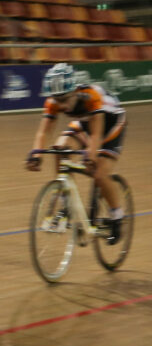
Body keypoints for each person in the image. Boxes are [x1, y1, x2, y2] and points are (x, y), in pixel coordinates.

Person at [26, 63, 127, 244]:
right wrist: (36, 154)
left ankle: (117, 217)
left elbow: (96, 133)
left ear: (74, 91)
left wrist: (91, 156)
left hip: (111, 123)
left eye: (64, 100)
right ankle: (66, 203)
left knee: (100, 174)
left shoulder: (91, 96)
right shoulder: (53, 102)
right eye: (57, 100)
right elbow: (44, 132)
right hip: (85, 123)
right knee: (60, 147)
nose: (61, 105)